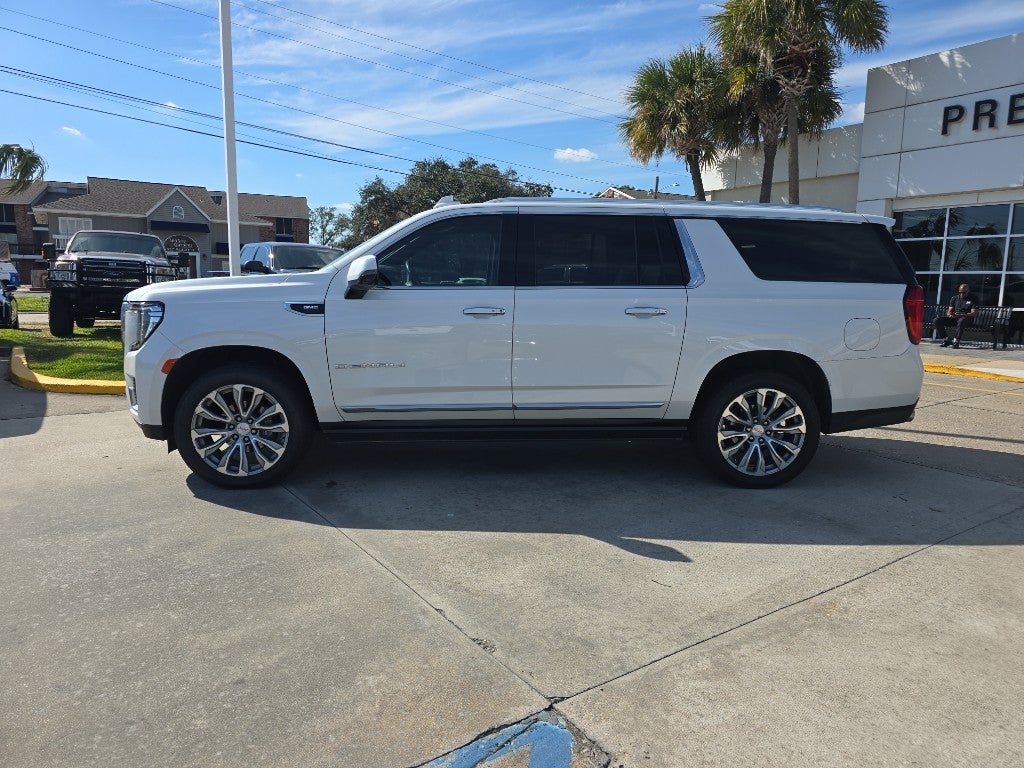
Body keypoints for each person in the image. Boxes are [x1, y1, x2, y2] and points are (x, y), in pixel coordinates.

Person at [935, 283, 977, 348]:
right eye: (960, 292)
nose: (962, 294)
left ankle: (956, 341)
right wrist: (950, 314)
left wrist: (962, 314)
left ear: (968, 291)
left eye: (964, 292)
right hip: (955, 318)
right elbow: (950, 310)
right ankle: (946, 340)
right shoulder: (954, 298)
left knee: (961, 320)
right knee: (937, 320)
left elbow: (973, 313)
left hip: (967, 318)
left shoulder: (973, 298)